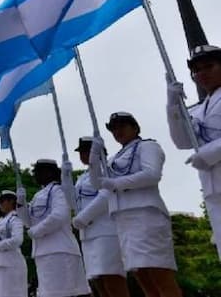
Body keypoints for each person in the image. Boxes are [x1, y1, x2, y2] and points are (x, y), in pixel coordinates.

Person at [88, 113, 182, 297]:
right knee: (142, 275)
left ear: (135, 128)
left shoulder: (147, 146)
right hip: (123, 219)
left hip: (145, 214)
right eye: (114, 128)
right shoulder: (113, 159)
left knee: (159, 272)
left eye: (123, 126)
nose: (118, 131)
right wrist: (94, 156)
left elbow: (152, 174)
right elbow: (97, 183)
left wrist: (117, 184)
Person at [167, 44, 221, 259]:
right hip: (214, 190)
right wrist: (173, 105)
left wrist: (209, 153)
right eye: (196, 70)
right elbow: (182, 141)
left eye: (209, 66)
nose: (202, 74)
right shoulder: (201, 108)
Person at [17, 159, 90, 297]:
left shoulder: (59, 190)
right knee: (49, 293)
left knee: (61, 293)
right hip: (44, 251)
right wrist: (21, 204)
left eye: (38, 172)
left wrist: (36, 231)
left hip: (59, 249)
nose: (35, 175)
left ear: (49, 172)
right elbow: (28, 222)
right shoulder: (39, 194)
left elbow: (60, 215)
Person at [70, 137, 129, 297]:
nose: (82, 155)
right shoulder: (82, 177)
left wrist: (84, 217)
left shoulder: (107, 168)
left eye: (86, 151)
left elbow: (106, 195)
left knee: (112, 277)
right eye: (81, 152)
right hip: (88, 234)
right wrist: (65, 179)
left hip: (106, 230)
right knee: (97, 282)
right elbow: (74, 201)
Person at [0, 191, 27, 297]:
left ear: (11, 201)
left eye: (2, 201)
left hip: (13, 262)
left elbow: (17, 240)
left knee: (13, 293)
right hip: (2, 262)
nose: (1, 204)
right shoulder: (3, 221)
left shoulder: (15, 218)